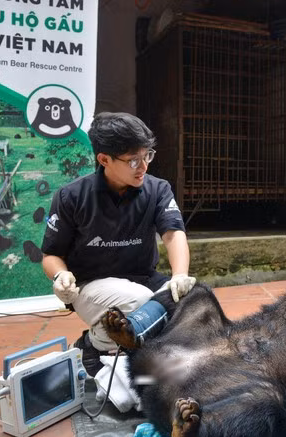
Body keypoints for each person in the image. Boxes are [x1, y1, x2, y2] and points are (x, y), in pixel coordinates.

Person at [41, 112, 195, 375]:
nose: (143, 166)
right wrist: (60, 276)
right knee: (141, 304)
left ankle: (135, 356)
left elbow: (173, 233)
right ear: (104, 159)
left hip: (143, 278)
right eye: (133, 160)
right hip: (91, 284)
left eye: (147, 156)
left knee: (195, 300)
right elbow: (51, 254)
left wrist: (180, 275)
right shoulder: (72, 196)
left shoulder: (157, 189)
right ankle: (94, 345)